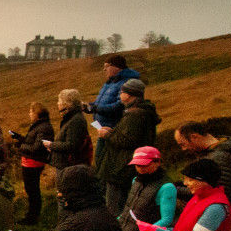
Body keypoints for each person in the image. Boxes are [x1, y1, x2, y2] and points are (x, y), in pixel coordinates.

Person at [94, 78, 160, 215]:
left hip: (121, 169)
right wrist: (112, 132)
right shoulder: (141, 112)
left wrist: (107, 135)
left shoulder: (134, 114)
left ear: (129, 94)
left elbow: (127, 140)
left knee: (115, 207)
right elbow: (132, 137)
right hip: (128, 165)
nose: (120, 95)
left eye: (122, 92)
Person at [43, 89, 92, 213]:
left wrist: (52, 145)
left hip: (67, 166)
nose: (58, 103)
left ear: (67, 104)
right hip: (65, 165)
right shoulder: (71, 118)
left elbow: (72, 145)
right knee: (64, 196)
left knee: (64, 197)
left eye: (59, 100)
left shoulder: (75, 120)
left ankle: (65, 225)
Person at [83, 54, 140, 157]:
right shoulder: (109, 83)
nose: (104, 69)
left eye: (107, 66)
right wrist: (88, 107)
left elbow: (119, 106)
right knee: (100, 158)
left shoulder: (125, 83)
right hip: (103, 129)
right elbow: (100, 104)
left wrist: (95, 108)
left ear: (117, 67)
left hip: (114, 131)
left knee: (106, 159)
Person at [174, 122, 231, 200]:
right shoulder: (212, 151)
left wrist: (173, 190)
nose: (184, 149)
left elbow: (213, 191)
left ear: (194, 137)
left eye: (183, 144)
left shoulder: (217, 158)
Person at [14, 102, 55, 225]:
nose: (29, 114)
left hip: (33, 162)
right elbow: (32, 141)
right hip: (30, 161)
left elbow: (37, 147)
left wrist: (21, 146)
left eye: (31, 111)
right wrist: (20, 138)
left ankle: (32, 217)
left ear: (36, 113)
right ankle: (32, 215)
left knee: (32, 190)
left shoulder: (43, 127)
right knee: (31, 189)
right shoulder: (40, 125)